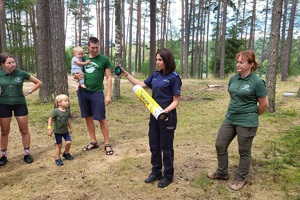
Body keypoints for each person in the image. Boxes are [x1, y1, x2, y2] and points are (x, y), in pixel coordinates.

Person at [119, 48, 182, 188]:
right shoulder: (155, 75)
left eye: (160, 60)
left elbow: (176, 100)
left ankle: (168, 175)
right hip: (154, 115)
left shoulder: (174, 78)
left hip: (167, 116)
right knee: (154, 144)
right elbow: (140, 85)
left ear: (167, 61)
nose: (157, 62)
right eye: (157, 59)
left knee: (166, 147)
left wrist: (164, 112)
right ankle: (156, 172)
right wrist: (126, 75)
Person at [207, 50, 269, 191]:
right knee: (220, 145)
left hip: (247, 122)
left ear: (251, 64)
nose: (238, 64)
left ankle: (240, 178)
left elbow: (264, 105)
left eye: (241, 62)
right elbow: (233, 96)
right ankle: (222, 173)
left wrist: (251, 115)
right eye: (237, 61)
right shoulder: (233, 79)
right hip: (230, 119)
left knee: (244, 151)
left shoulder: (257, 82)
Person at [0, 53, 42, 166]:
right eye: (9, 63)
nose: (12, 64)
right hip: (3, 105)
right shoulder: (0, 75)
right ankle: (3, 156)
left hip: (20, 104)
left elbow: (38, 82)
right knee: (4, 131)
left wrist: (28, 91)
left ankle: (27, 153)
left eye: (13, 62)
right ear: (3, 64)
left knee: (24, 130)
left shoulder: (21, 73)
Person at [74, 36, 114, 155]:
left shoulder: (104, 59)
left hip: (97, 92)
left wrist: (108, 95)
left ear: (99, 46)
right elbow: (76, 73)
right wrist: (76, 77)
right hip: (83, 92)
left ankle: (107, 143)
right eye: (92, 47)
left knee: (101, 118)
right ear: (88, 47)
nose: (95, 50)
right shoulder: (83, 58)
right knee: (88, 117)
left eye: (96, 47)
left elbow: (108, 77)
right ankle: (93, 141)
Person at [47, 94, 74, 166]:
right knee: (59, 145)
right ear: (59, 103)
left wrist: (70, 127)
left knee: (68, 142)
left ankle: (66, 153)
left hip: (65, 131)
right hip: (58, 132)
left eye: (68, 100)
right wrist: (49, 129)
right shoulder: (55, 111)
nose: (68, 102)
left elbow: (68, 120)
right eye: (65, 101)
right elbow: (50, 119)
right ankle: (57, 158)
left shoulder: (67, 111)